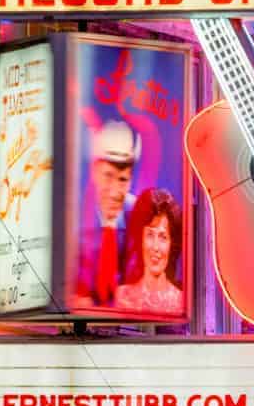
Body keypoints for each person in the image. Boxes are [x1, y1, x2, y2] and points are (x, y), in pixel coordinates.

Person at [70, 121, 138, 309]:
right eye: (108, 176)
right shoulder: (74, 216)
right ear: (94, 172)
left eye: (123, 179)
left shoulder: (137, 216)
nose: (115, 191)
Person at [112, 189, 185, 316]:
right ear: (140, 238)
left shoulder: (181, 302)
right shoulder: (121, 297)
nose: (156, 247)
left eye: (163, 237)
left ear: (171, 244)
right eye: (150, 235)